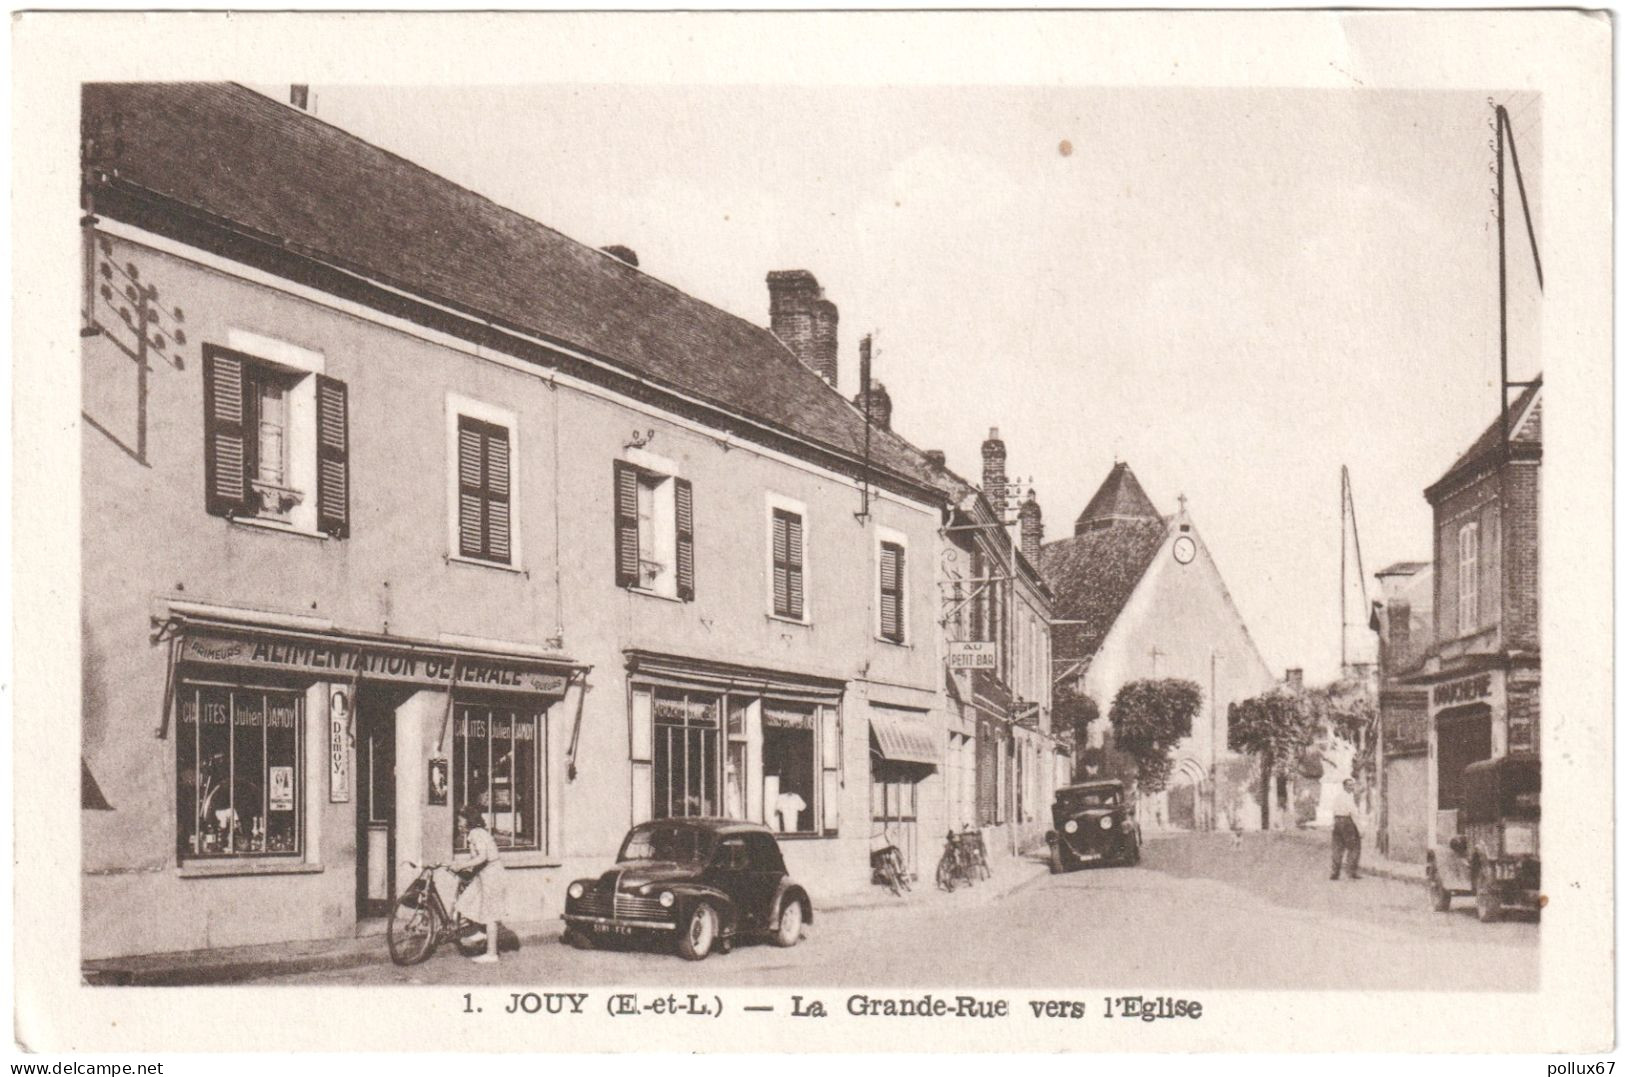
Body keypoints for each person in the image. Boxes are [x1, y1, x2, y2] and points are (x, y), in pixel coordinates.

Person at [452, 803, 507, 964]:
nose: (459, 824)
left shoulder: (476, 833)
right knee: (468, 901)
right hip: (484, 875)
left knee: (489, 913)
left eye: (460, 821)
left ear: (469, 821)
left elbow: (483, 857)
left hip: (492, 876)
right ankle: (480, 933)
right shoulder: (476, 833)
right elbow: (477, 858)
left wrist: (462, 865)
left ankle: (491, 954)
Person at [1329, 777, 1365, 880]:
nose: (1351, 787)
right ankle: (1351, 872)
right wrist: (1360, 829)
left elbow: (1334, 811)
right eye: (1349, 785)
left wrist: (1333, 825)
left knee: (1337, 848)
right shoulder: (1349, 797)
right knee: (1354, 847)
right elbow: (1354, 814)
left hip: (1338, 822)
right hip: (1347, 823)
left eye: (1352, 785)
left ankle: (1335, 873)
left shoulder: (1338, 797)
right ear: (1344, 786)